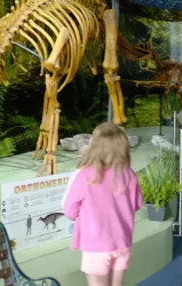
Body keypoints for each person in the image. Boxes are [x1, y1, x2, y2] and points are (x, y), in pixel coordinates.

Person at [62, 122, 143, 286]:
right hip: (123, 242)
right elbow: (137, 204)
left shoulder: (84, 175)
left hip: (96, 245)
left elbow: (69, 211)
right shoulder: (129, 174)